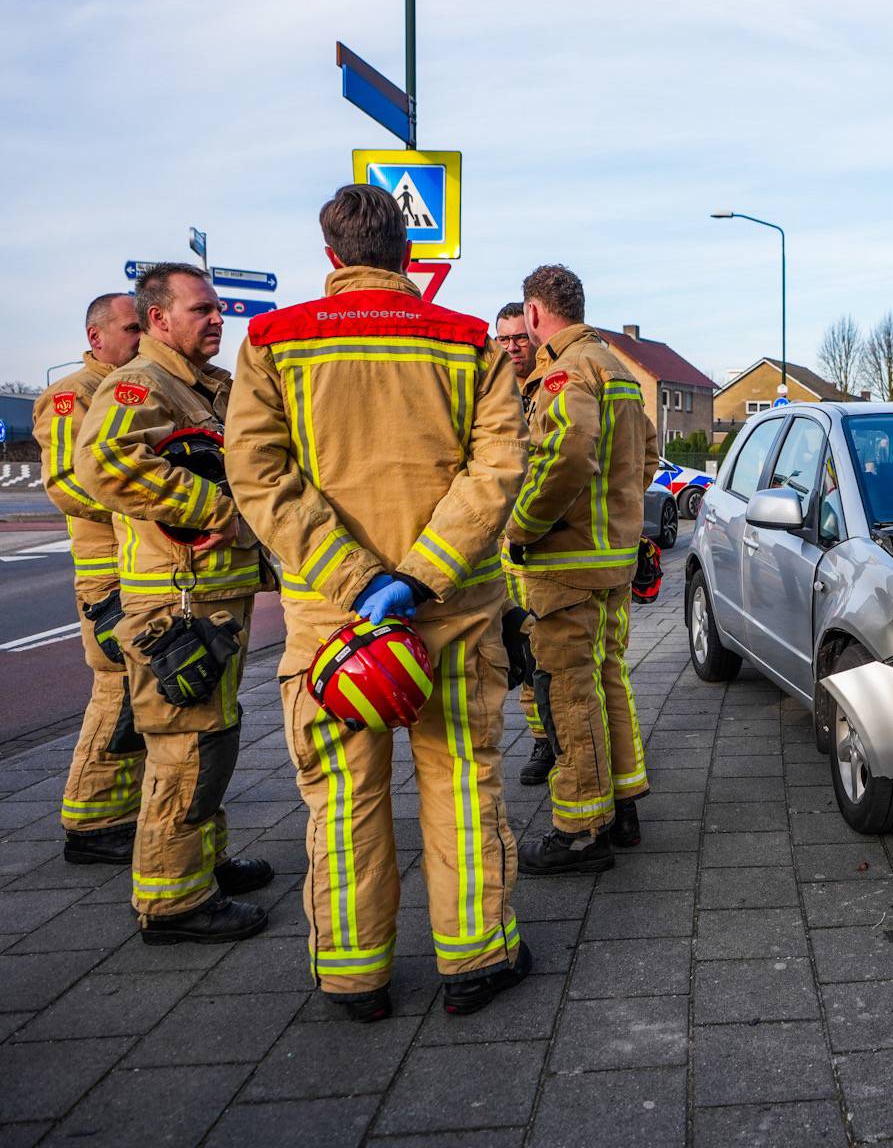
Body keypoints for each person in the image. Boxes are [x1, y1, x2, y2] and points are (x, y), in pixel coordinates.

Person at [225, 184, 529, 1020]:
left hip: (333, 625)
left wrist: (354, 579)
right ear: (409, 252)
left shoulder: (274, 342)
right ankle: (474, 959)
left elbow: (259, 475)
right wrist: (421, 570)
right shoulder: (468, 343)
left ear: (331, 257)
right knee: (463, 781)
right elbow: (498, 469)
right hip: (454, 612)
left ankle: (356, 977)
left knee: (345, 794)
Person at [73, 264, 274, 943]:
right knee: (186, 745)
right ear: (157, 319)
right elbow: (104, 461)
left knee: (211, 733)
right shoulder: (143, 383)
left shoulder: (204, 386)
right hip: (178, 600)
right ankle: (174, 903)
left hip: (214, 592)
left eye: (218, 310)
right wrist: (216, 508)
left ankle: (203, 864)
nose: (217, 319)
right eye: (200, 310)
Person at [506, 264, 654, 874]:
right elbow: (645, 458)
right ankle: (624, 806)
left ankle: (580, 830)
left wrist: (521, 526)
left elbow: (567, 453)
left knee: (567, 691)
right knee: (606, 677)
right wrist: (617, 518)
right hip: (611, 560)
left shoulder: (564, 372)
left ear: (536, 314)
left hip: (564, 562)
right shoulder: (617, 367)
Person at [37, 293, 144, 864]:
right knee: (118, 692)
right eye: (130, 329)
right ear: (95, 335)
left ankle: (122, 812)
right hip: (110, 576)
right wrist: (152, 507)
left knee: (145, 695)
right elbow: (66, 484)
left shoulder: (140, 385)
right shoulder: (70, 396)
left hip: (143, 568)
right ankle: (93, 820)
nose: (138, 338)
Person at [494, 301, 551, 787]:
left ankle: (559, 740)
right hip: (500, 552)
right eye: (504, 339)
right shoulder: (490, 392)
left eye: (519, 337)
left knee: (552, 653)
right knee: (520, 653)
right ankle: (541, 743)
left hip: (544, 546)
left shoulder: (555, 388)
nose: (513, 346)